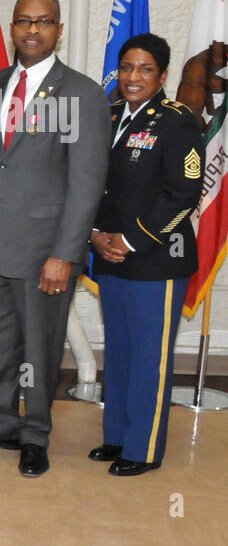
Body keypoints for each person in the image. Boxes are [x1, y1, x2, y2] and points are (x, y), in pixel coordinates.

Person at [0, 0, 110, 476]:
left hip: (45, 251)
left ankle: (34, 434)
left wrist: (65, 252)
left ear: (58, 30)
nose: (32, 31)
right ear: (11, 28)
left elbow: (86, 183)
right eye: (23, 22)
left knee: (40, 345)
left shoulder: (81, 94)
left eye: (44, 22)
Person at [88, 33, 202, 477]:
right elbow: (95, 182)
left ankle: (144, 446)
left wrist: (131, 240)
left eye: (145, 69)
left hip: (155, 258)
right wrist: (95, 234)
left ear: (163, 75)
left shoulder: (176, 121)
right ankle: (115, 435)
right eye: (127, 68)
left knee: (149, 356)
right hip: (109, 252)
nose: (133, 77)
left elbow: (184, 194)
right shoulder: (110, 112)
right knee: (118, 350)